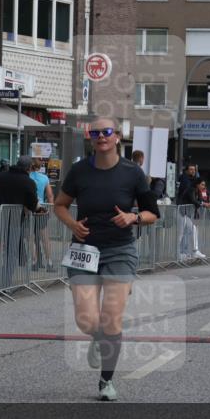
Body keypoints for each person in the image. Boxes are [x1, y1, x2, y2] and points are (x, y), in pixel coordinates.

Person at [54, 117, 159, 401]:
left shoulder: (132, 172)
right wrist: (71, 225)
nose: (101, 136)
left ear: (117, 137)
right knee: (87, 320)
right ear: (91, 138)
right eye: (96, 132)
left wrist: (133, 217)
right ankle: (98, 338)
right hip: (84, 249)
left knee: (112, 318)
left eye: (107, 131)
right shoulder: (79, 171)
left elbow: (152, 213)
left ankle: (106, 381)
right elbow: (60, 205)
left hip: (120, 250)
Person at [0, 156, 46, 285]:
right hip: (14, 220)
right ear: (29, 168)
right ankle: (5, 281)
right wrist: (40, 210)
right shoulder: (28, 182)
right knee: (11, 251)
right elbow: (32, 204)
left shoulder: (1, 176)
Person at [29, 157, 56, 272]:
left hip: (29, 209)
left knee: (31, 237)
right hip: (41, 210)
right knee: (45, 238)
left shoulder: (27, 177)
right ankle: (49, 262)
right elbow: (50, 195)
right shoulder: (44, 178)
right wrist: (50, 208)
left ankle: (34, 262)